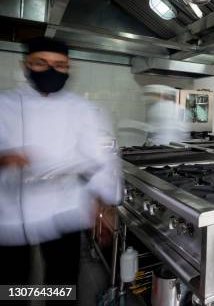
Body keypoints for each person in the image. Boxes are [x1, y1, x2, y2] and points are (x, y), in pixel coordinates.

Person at [0, 38, 122, 302]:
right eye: (41, 63)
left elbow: (101, 158)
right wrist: (4, 159)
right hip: (11, 213)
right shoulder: (4, 105)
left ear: (69, 69)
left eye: (59, 65)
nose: (51, 70)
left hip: (64, 209)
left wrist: (106, 206)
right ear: (26, 66)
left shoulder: (82, 108)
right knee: (12, 287)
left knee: (62, 285)